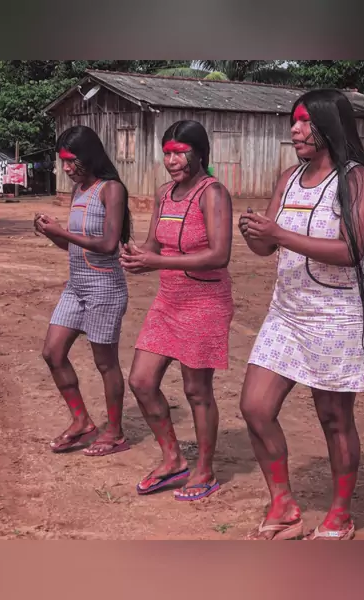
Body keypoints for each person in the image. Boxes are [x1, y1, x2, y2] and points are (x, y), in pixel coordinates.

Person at [238, 89, 364, 540]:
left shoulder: (358, 179)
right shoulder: (289, 178)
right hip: (286, 313)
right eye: (293, 121)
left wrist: (278, 234)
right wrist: (255, 233)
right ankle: (283, 504)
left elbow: (350, 249)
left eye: (305, 121)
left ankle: (340, 514)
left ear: (330, 125)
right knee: (255, 406)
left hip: (335, 316)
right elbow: (266, 247)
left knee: (334, 418)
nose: (295, 130)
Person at [119, 120, 233, 501]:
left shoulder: (212, 193)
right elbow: (154, 245)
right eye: (167, 153)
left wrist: (157, 262)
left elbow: (219, 254)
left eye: (180, 153)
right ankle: (173, 459)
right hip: (168, 301)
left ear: (199, 153)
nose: (171, 161)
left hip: (205, 302)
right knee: (141, 380)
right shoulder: (164, 194)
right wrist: (136, 256)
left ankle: (205, 469)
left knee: (196, 389)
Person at [34, 125, 132, 457]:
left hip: (104, 288)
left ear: (88, 156)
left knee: (106, 363)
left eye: (70, 160)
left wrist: (62, 232)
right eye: (62, 161)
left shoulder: (111, 189)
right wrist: (51, 232)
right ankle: (82, 422)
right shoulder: (79, 191)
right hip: (76, 286)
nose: (65, 168)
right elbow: (73, 245)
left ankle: (115, 432)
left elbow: (108, 244)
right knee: (53, 352)